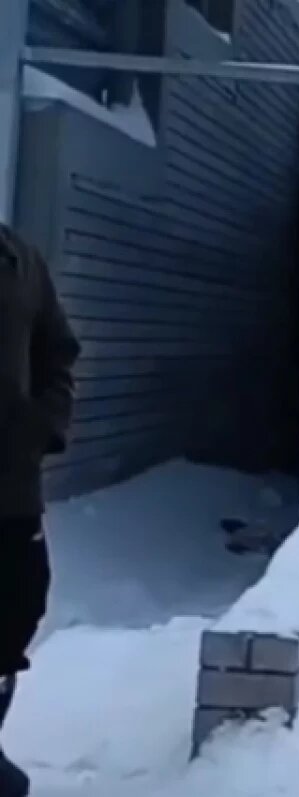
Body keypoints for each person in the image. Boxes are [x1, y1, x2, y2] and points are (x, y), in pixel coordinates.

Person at [0, 221, 81, 796]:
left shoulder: (20, 260)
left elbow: (59, 352)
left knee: (17, 606)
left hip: (8, 489)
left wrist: (41, 425)